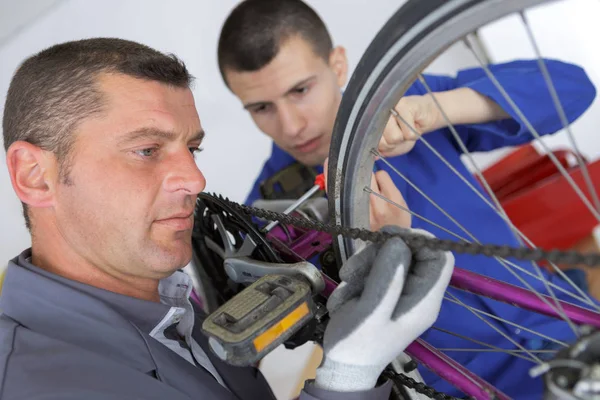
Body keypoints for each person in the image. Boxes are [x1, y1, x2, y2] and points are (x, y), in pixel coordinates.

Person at [0, 38, 455, 400]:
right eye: (147, 150)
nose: (196, 180)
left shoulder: (169, 298)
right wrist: (345, 377)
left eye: (193, 150)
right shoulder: (33, 383)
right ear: (35, 176)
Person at [216, 0, 599, 398]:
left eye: (300, 90)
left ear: (339, 65)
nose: (291, 125)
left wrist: (432, 111)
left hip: (563, 323)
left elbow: (572, 87)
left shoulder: (407, 101)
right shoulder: (267, 221)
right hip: (468, 387)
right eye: (261, 108)